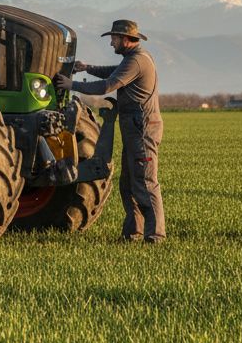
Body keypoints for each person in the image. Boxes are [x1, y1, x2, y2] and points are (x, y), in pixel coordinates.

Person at [54, 19, 165, 243]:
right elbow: (111, 72)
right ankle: (133, 233)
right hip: (134, 128)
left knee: (144, 182)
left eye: (114, 38)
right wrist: (87, 68)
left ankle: (155, 236)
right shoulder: (133, 59)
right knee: (128, 183)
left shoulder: (137, 61)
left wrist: (71, 85)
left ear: (126, 39)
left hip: (142, 129)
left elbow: (107, 86)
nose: (111, 43)